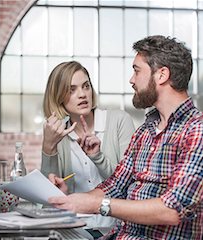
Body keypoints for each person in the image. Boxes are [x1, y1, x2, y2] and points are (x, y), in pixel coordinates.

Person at [0, 35, 203, 240]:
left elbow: (171, 211)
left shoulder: (200, 131)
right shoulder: (147, 130)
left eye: (136, 71)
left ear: (161, 75)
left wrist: (96, 204)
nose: (131, 79)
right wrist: (72, 200)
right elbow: (115, 184)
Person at [40, 61, 135, 230]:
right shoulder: (57, 134)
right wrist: (49, 147)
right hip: (75, 230)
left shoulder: (119, 121)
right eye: (72, 90)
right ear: (59, 96)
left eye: (86, 86)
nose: (82, 94)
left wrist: (97, 157)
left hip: (116, 230)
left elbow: (128, 184)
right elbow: (48, 197)